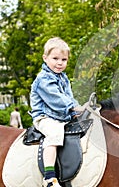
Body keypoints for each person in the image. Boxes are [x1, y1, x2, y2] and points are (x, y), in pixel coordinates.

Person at [30, 37, 85, 187]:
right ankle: (49, 176)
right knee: (55, 133)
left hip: (61, 116)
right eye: (55, 58)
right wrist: (73, 107)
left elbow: (69, 97)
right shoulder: (43, 79)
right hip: (45, 117)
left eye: (64, 59)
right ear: (45, 58)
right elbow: (56, 98)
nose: (60, 63)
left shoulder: (63, 77)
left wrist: (77, 112)